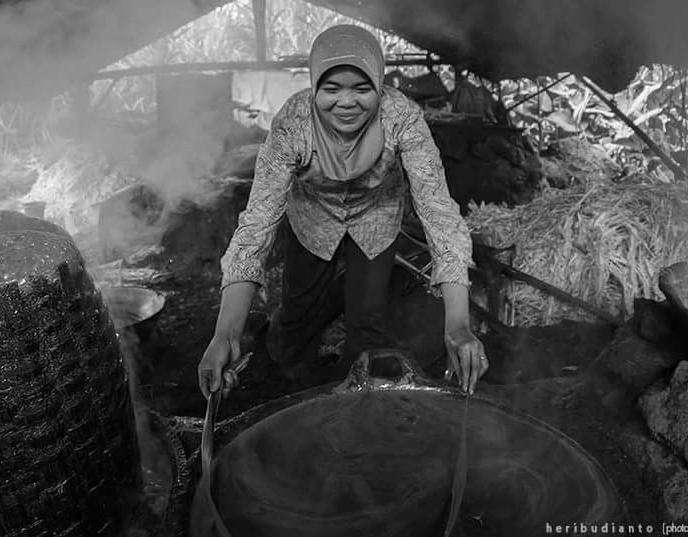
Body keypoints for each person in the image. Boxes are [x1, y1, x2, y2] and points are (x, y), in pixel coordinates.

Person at [198, 24, 488, 398]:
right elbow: (254, 229)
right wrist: (226, 333)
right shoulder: (293, 124)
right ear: (315, 85)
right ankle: (293, 385)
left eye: (362, 88)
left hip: (376, 220)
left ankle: (354, 401)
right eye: (331, 89)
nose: (346, 102)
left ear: (379, 86)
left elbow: (439, 215)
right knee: (298, 316)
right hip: (312, 219)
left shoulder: (402, 118)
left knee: (367, 321)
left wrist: (458, 326)